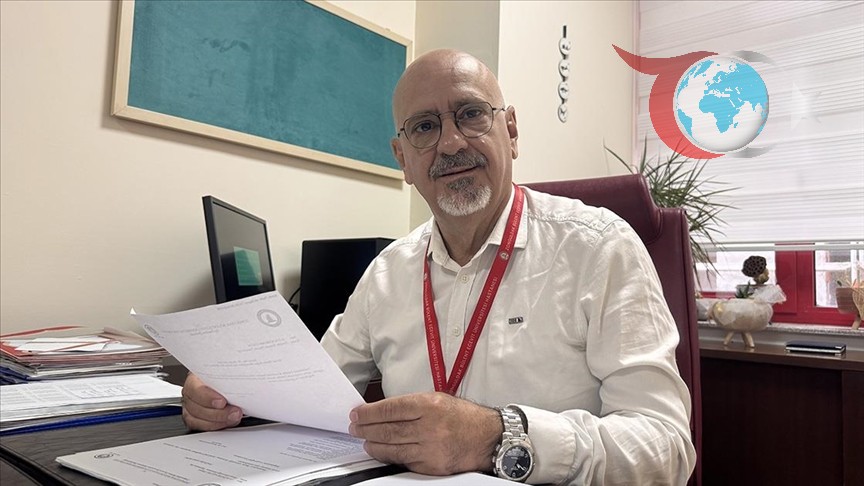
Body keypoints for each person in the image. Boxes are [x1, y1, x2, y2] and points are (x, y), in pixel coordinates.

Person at [182, 49, 696, 485]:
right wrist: (229, 392)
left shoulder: (599, 247)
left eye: (471, 114)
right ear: (402, 159)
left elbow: (667, 448)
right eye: (425, 127)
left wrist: (498, 437)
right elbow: (309, 391)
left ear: (511, 131)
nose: (450, 143)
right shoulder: (387, 273)